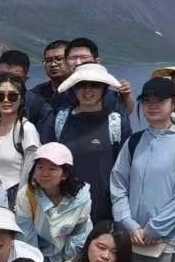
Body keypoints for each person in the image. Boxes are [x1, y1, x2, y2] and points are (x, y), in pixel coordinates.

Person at [110, 76, 175, 262]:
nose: (152, 106)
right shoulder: (134, 141)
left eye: (160, 101)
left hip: (166, 242)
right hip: (131, 238)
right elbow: (118, 183)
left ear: (174, 105)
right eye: (147, 101)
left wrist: (154, 229)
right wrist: (129, 224)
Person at [51, 61, 127, 223]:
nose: (87, 90)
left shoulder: (116, 122)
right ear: (73, 88)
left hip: (104, 208)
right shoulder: (60, 119)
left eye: (95, 85)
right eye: (81, 85)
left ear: (104, 89)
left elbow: (125, 168)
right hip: (63, 206)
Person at [12, 141, 91, 262]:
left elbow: (79, 234)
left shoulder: (81, 198)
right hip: (38, 257)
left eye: (52, 169)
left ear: (65, 174)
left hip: (69, 259)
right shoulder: (27, 195)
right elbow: (26, 237)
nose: (44, 174)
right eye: (40, 167)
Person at [0, 72, 40, 198]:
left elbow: (31, 170)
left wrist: (21, 201)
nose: (6, 100)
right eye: (0, 96)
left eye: (12, 96)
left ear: (22, 99)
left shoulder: (27, 130)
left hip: (16, 196)